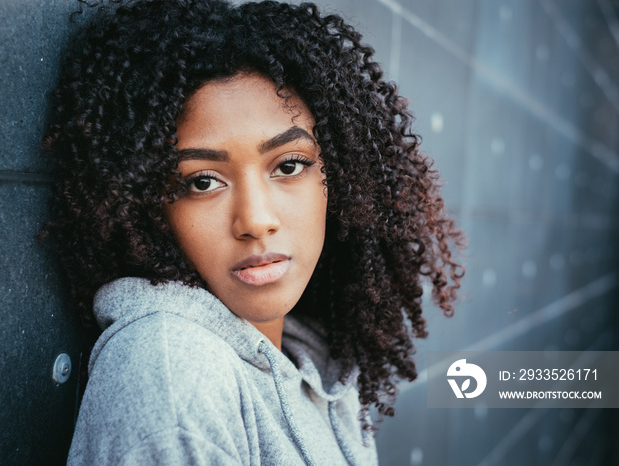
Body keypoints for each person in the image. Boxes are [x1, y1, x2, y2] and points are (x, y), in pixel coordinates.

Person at [41, 0, 465, 464]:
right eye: (202, 181)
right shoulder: (172, 371)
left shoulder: (314, 353)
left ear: (341, 179)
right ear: (146, 208)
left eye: (288, 166)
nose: (256, 219)